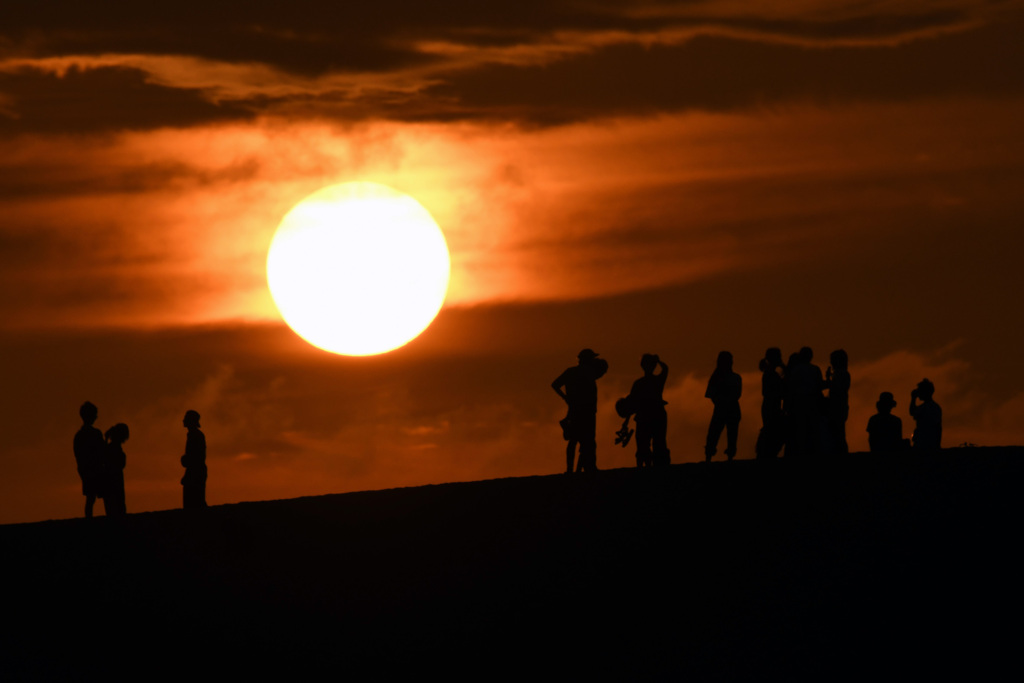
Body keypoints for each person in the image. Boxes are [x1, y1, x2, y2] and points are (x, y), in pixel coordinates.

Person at [552, 349, 608, 473]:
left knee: (574, 440)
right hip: (587, 411)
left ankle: (571, 469)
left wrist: (566, 398)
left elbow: (555, 384)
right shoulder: (589, 372)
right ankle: (587, 468)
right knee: (588, 441)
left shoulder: (571, 372)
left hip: (575, 410)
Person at [625, 354, 670, 468]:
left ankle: (646, 467)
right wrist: (658, 360)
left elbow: (631, 403)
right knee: (655, 443)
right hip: (655, 416)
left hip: (645, 417)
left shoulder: (639, 383)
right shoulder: (657, 381)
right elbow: (665, 369)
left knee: (645, 444)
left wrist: (626, 419)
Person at [784, 346, 825, 459]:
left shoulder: (796, 370)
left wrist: (788, 405)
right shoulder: (815, 369)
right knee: (811, 430)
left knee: (801, 430)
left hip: (800, 403)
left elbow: (791, 388)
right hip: (812, 403)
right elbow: (819, 386)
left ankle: (802, 453)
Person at [704, 351, 742, 462]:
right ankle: (712, 455)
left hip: (725, 408)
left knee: (724, 434)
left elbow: (711, 395)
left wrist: (720, 401)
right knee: (718, 433)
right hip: (726, 408)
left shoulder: (726, 378)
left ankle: (712, 455)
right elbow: (711, 394)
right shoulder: (731, 378)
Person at [73, 401, 105, 518]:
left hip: (85, 469)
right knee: (98, 495)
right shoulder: (95, 434)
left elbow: (78, 455)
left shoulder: (79, 436)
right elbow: (102, 452)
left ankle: (89, 519)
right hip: (94, 469)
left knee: (90, 498)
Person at [755, 348, 785, 460]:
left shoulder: (769, 373)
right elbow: (772, 392)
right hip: (771, 406)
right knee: (771, 431)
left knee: (770, 430)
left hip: (769, 406)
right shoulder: (770, 374)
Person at [824, 349, 851, 455]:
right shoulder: (843, 374)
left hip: (837, 408)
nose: (831, 363)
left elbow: (836, 389)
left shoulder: (841, 374)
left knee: (838, 434)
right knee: (838, 433)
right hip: (840, 407)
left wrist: (828, 380)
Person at [180, 410, 208, 510]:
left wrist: (186, 460)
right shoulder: (194, 435)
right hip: (195, 472)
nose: (183, 420)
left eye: (186, 418)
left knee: (194, 504)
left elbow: (197, 458)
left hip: (196, 473)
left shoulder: (196, 436)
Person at [103, 423, 129, 517]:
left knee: (113, 507)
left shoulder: (109, 448)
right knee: (118, 505)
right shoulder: (114, 449)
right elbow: (120, 464)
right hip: (114, 479)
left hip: (110, 479)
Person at [909, 378, 942, 451]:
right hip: (926, 443)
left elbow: (912, 412)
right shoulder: (933, 407)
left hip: (925, 444)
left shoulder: (929, 407)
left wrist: (913, 398)